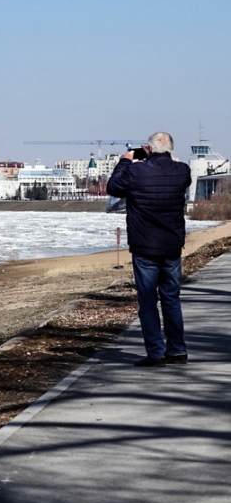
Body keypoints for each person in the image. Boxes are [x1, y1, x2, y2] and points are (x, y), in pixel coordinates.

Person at [107, 132, 192, 367]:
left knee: (147, 300)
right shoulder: (182, 171)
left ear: (150, 149)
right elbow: (180, 178)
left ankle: (156, 352)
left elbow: (113, 188)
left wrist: (125, 161)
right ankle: (177, 350)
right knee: (171, 298)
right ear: (171, 149)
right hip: (171, 245)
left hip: (145, 246)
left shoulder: (136, 171)